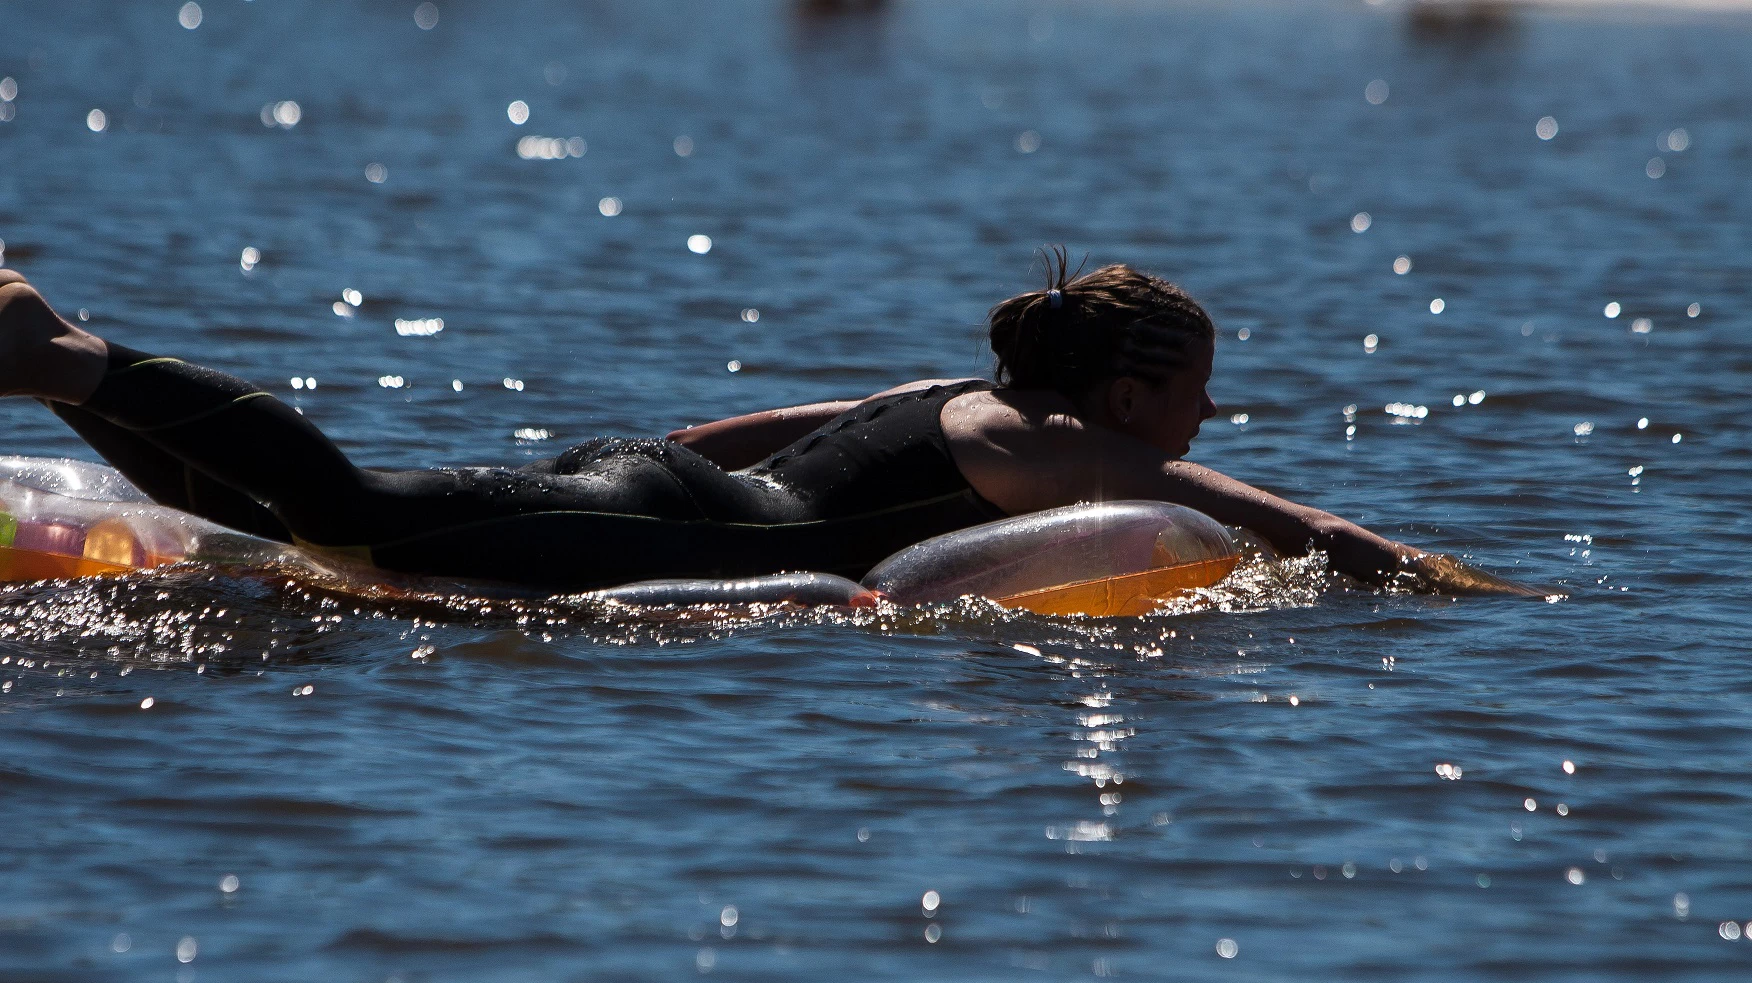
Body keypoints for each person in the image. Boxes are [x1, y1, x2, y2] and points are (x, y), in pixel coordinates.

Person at [0, 259, 1538, 596]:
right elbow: (1304, 525)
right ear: (1133, 394)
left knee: (303, 527)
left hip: (643, 482)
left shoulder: (940, 396)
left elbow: (725, 426)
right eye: (1198, 382)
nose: (1213, 407)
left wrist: (624, 483)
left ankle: (63, 363)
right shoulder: (1101, 452)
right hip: (684, 532)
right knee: (355, 516)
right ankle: (63, 351)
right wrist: (1443, 581)